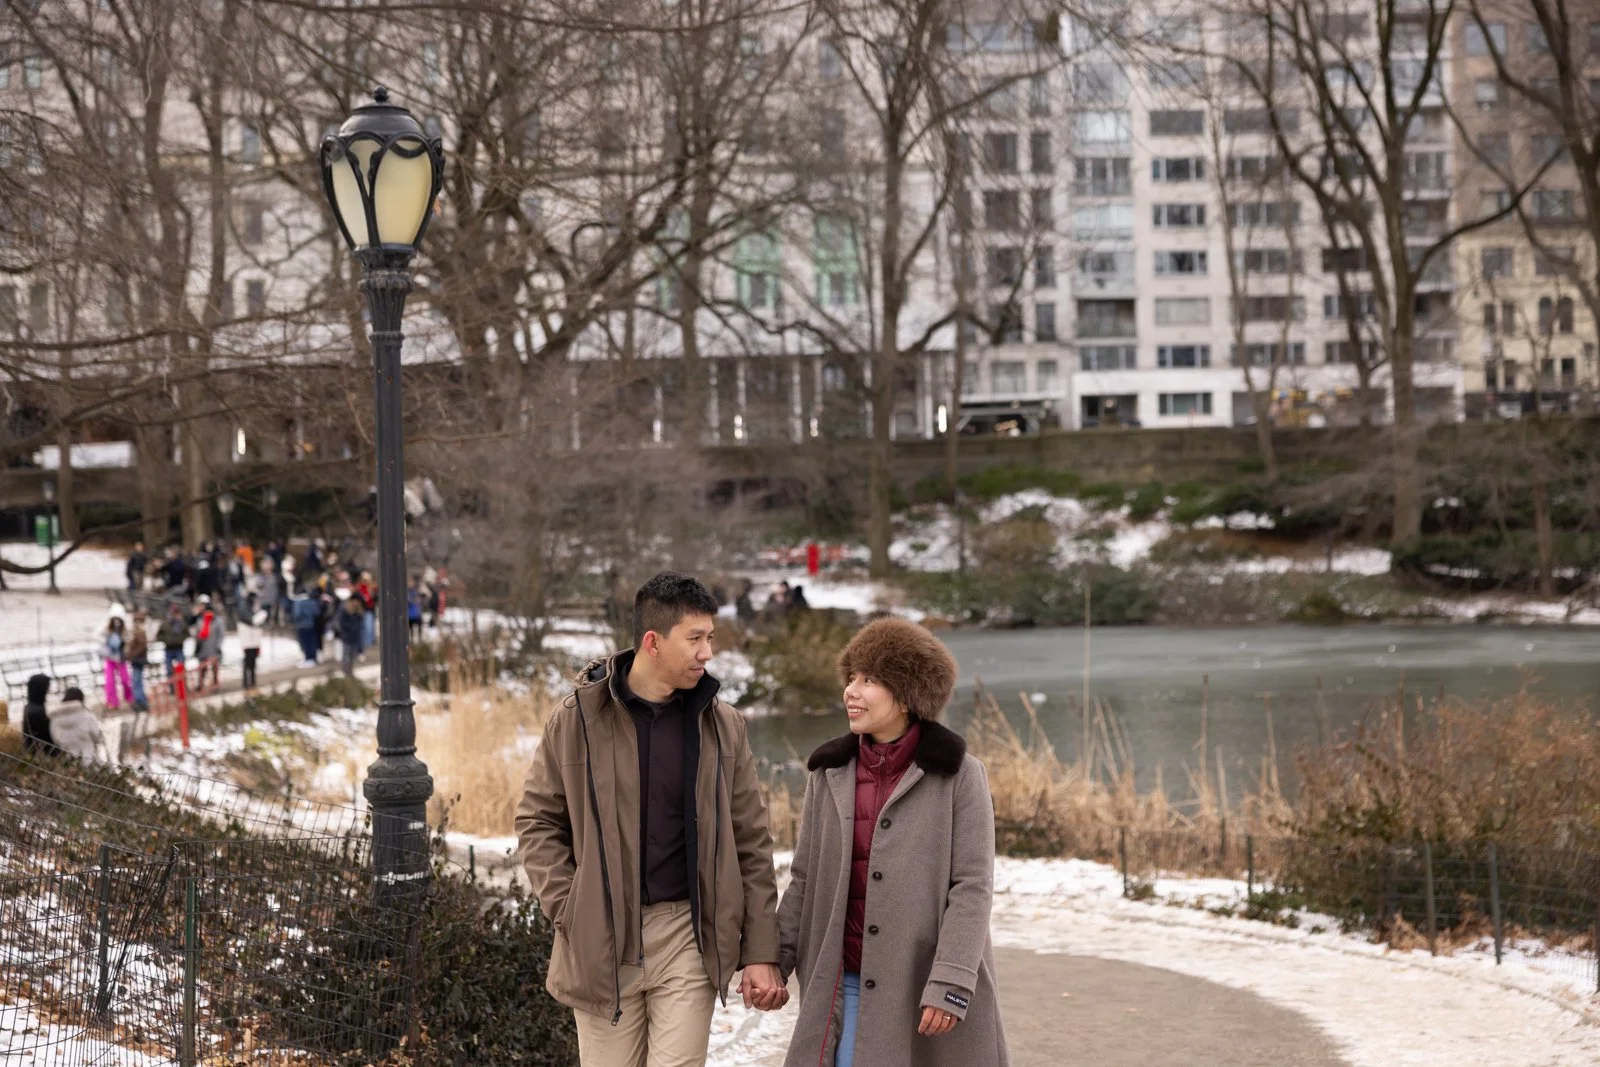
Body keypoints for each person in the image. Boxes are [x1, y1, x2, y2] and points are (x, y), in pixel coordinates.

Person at [516, 571, 786, 1067]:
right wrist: (570, 907)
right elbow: (537, 822)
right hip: (603, 938)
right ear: (653, 642)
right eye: (696, 639)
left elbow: (752, 841)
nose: (708, 652)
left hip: (688, 934)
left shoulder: (723, 726)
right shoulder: (576, 720)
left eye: (711, 638)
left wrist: (760, 949)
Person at [777, 617, 1008, 1067]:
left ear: (907, 695)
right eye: (851, 678)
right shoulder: (828, 773)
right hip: (842, 979)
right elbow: (804, 877)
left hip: (922, 979)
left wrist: (952, 983)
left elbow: (972, 887)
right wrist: (774, 959)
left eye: (870, 680)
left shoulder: (960, 776)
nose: (851, 691)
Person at [48, 687, 107, 763]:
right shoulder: (85, 715)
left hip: (67, 761)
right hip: (88, 759)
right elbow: (97, 736)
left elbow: (54, 739)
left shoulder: (54, 718)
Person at [21, 673, 56, 756]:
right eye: (47, 687)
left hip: (32, 753)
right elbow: (46, 738)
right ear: (41, 689)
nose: (49, 690)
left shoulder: (29, 707)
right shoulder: (37, 711)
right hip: (42, 755)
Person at [102, 617, 134, 710]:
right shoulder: (107, 631)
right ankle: (112, 701)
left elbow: (129, 641)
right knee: (110, 681)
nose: (117, 623)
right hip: (110, 658)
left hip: (121, 659)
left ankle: (129, 698)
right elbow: (100, 639)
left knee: (125, 680)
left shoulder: (124, 632)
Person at [194, 596, 225, 692]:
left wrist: (218, 646)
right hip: (203, 647)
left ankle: (215, 683)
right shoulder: (201, 621)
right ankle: (201, 684)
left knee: (215, 667)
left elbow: (221, 635)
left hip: (213, 647)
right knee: (202, 667)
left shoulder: (217, 621)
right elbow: (197, 633)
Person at [336, 589, 364, 677]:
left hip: (355, 636)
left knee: (352, 656)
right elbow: (341, 623)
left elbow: (360, 623)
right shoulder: (345, 610)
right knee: (346, 655)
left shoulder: (358, 611)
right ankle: (345, 672)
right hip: (347, 636)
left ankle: (350, 671)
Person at [291, 590, 322, 668]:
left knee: (305, 643)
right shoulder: (312, 601)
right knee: (312, 642)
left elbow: (297, 614)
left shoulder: (298, 602)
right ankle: (313, 658)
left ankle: (308, 658)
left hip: (301, 625)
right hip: (311, 625)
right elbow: (317, 613)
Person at [159, 601, 189, 681]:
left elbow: (187, 633)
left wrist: (181, 639)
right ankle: (172, 688)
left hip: (179, 648)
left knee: (181, 667)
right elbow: (159, 635)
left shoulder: (182, 624)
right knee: (169, 670)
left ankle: (182, 686)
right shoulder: (165, 624)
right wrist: (165, 640)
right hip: (169, 648)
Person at [127, 611, 150, 711]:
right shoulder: (138, 633)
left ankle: (140, 701)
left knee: (136, 681)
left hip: (138, 660)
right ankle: (140, 700)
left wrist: (131, 655)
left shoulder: (140, 633)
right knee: (137, 681)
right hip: (138, 660)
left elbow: (141, 647)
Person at [238, 606, 265, 690]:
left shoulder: (254, 617)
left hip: (254, 643)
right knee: (248, 664)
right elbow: (253, 622)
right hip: (248, 644)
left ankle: (252, 682)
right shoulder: (245, 618)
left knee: (252, 664)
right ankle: (247, 683)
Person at [407, 576, 424, 642]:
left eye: (411, 582)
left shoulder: (416, 591)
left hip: (417, 613)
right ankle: (411, 641)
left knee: (419, 628)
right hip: (410, 614)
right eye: (409, 582)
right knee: (411, 630)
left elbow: (420, 600)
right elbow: (408, 601)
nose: (410, 584)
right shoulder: (407, 592)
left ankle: (420, 640)